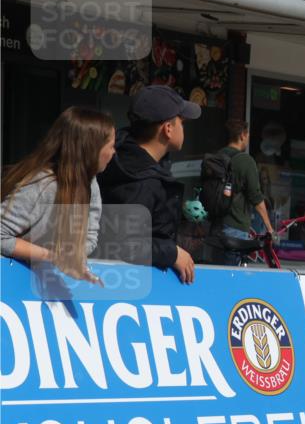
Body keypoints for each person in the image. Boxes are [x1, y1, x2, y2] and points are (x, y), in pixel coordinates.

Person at [97, 85, 201, 284]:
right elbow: (124, 244)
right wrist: (172, 253)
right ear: (167, 129)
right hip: (131, 289)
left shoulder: (120, 158)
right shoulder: (142, 180)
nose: (183, 127)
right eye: (182, 122)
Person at [1, 107, 115, 282]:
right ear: (91, 149)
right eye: (111, 146)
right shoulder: (43, 185)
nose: (114, 152)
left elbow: (89, 237)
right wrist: (52, 257)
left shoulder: (91, 184)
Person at [208, 119, 276, 266]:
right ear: (243, 135)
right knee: (231, 280)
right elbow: (256, 197)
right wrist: (269, 228)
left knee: (217, 275)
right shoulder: (245, 161)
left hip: (214, 227)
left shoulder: (216, 157)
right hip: (235, 229)